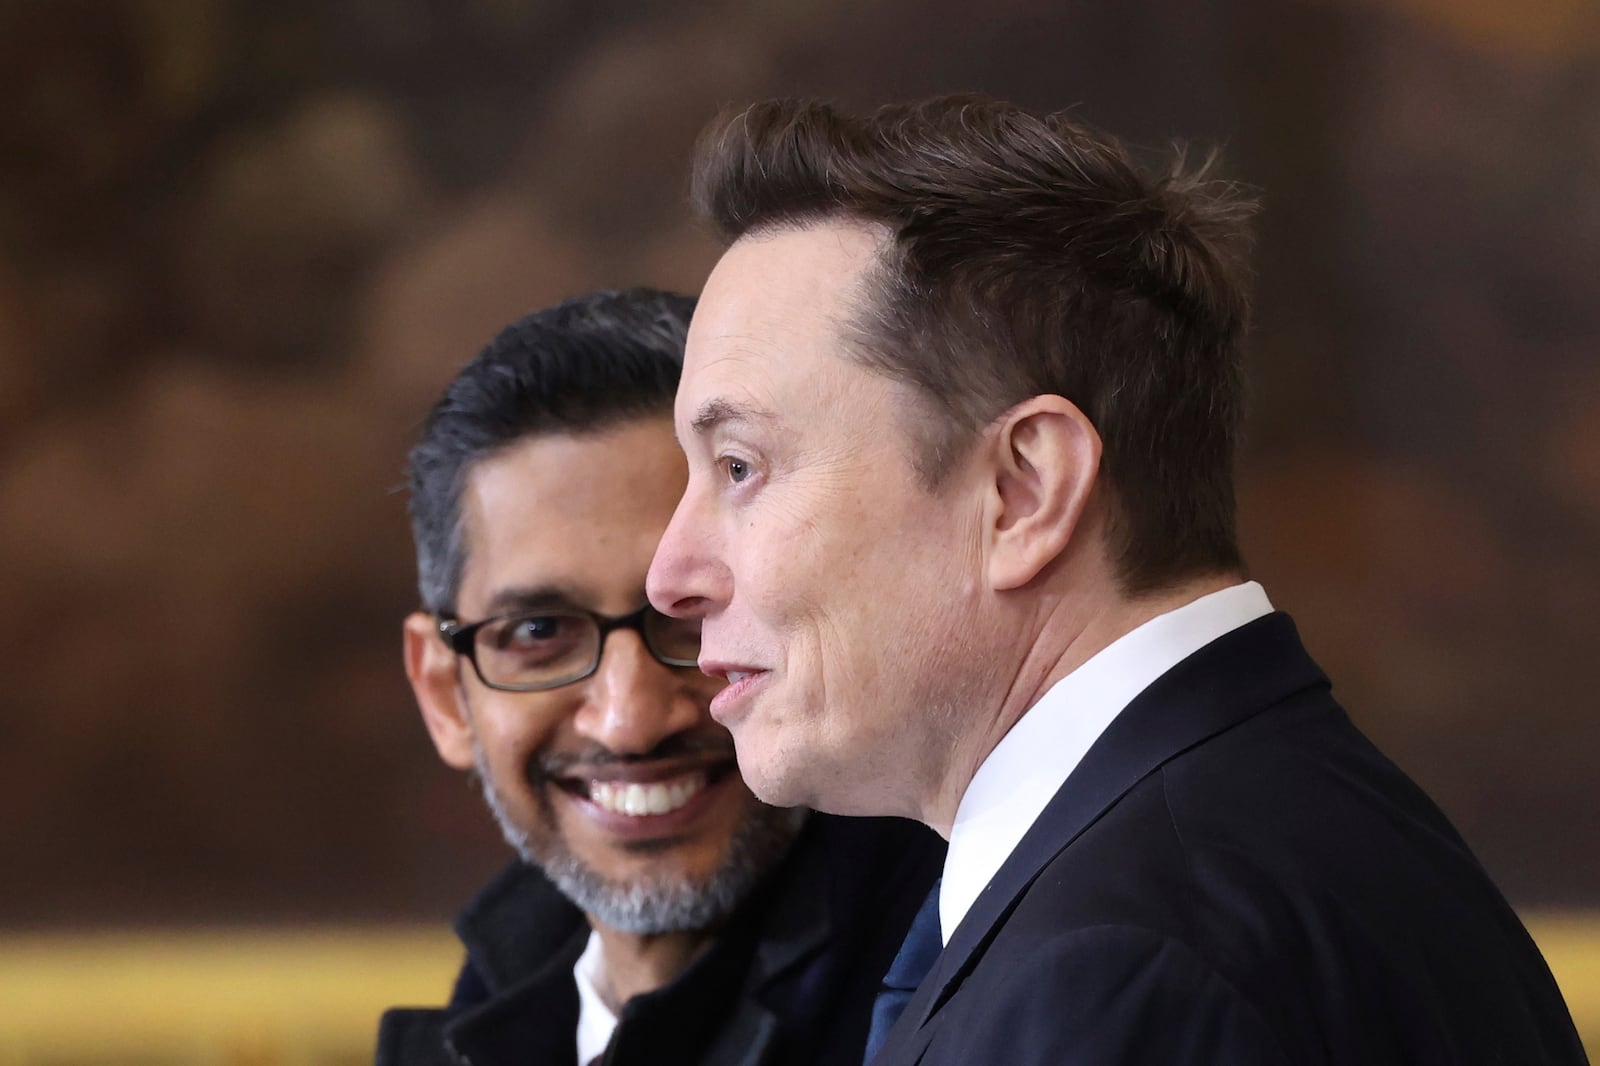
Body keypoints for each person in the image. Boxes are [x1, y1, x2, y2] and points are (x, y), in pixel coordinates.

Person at [645, 98, 1588, 1065]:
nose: (670, 575)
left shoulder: (1119, 966)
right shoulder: (1281, 831)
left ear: (1024, 490)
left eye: (741, 468)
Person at [378, 288, 944, 1066]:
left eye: (692, 612)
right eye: (539, 633)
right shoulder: (492, 1004)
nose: (631, 719)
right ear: (444, 693)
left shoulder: (963, 983)